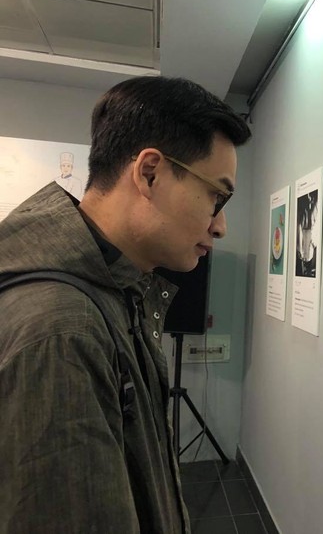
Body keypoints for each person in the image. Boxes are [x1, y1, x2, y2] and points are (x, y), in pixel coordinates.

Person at [0, 76, 251, 533]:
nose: (221, 227)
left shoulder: (112, 292)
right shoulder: (62, 332)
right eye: (217, 196)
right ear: (149, 173)